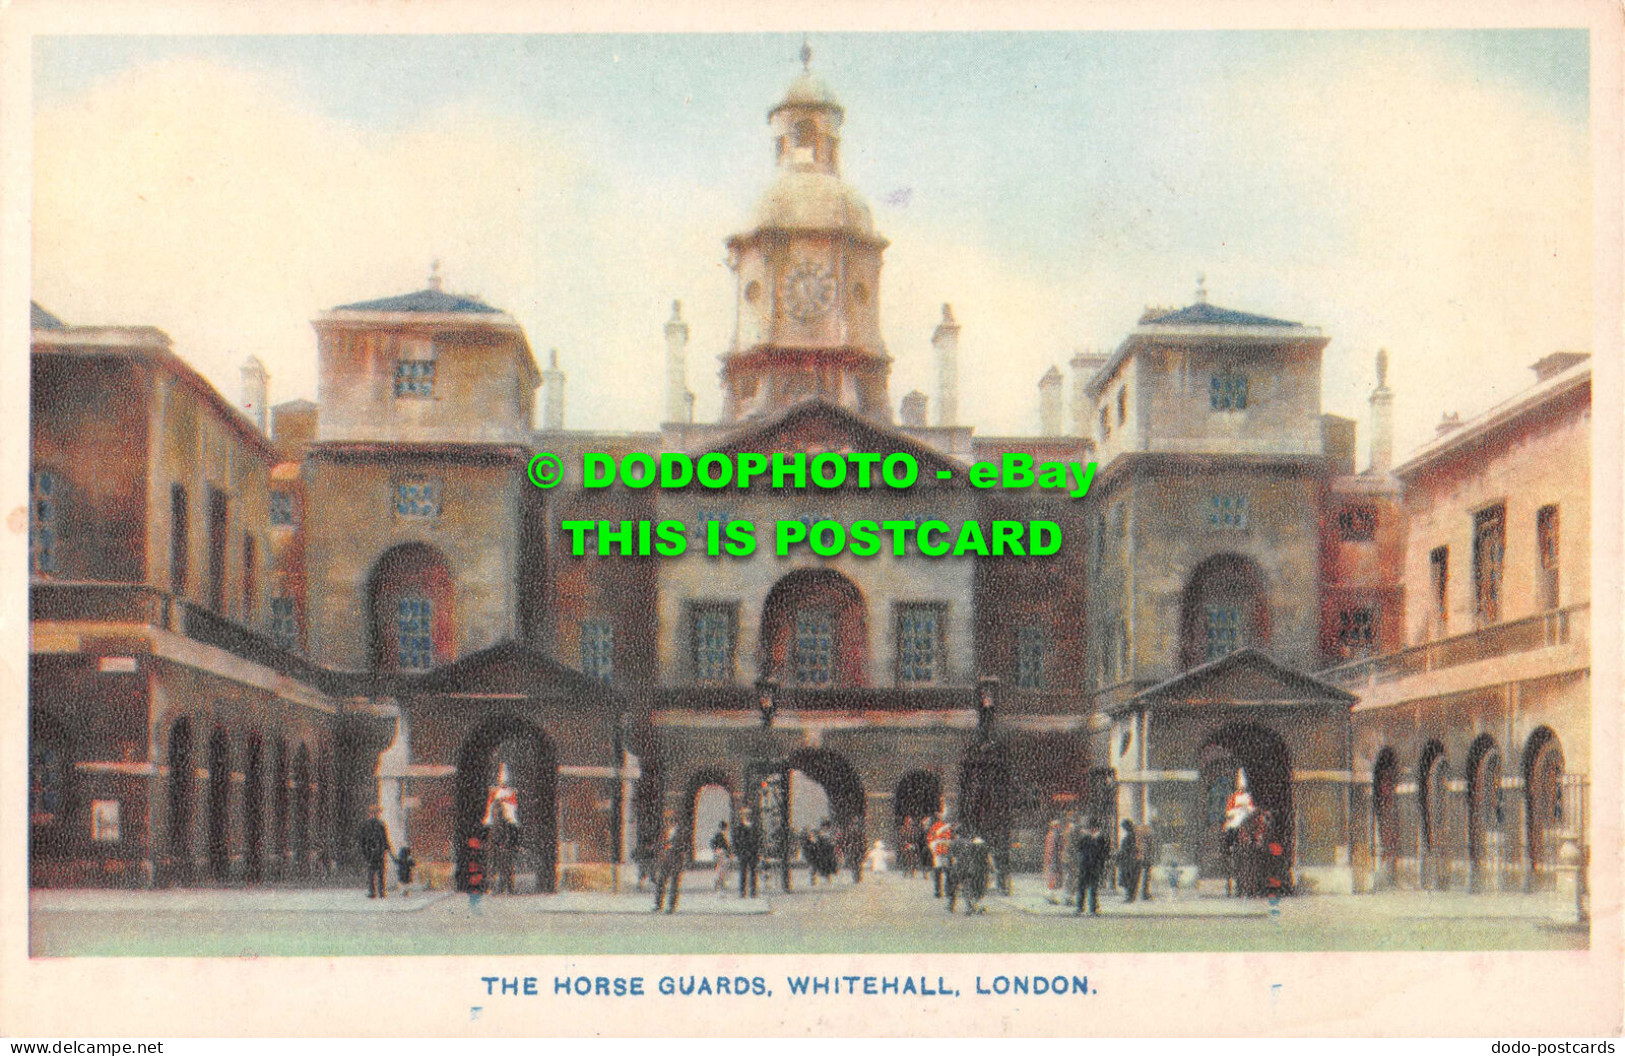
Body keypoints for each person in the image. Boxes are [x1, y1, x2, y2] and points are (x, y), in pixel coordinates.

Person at [1073, 817, 1109, 916]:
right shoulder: (1098, 838)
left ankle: (1083, 907)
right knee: (1090, 887)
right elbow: (1105, 853)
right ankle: (1089, 907)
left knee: (1086, 887)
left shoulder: (1089, 837)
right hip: (1092, 865)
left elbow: (1079, 849)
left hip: (1086, 865)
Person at [652, 814, 685, 914]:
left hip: (675, 859)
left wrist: (670, 846)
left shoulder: (680, 832)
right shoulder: (665, 832)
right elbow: (661, 843)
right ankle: (658, 904)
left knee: (674, 883)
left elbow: (681, 845)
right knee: (661, 881)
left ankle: (671, 906)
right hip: (666, 859)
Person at [357, 805, 391, 899]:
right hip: (377, 852)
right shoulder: (380, 824)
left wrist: (364, 851)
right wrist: (387, 848)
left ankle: (374, 892)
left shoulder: (367, 824)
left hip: (372, 852)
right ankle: (380, 892)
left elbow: (362, 840)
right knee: (379, 873)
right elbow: (384, 839)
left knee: (372, 873)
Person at [734, 811, 762, 898]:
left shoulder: (755, 827)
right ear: (743, 816)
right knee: (743, 873)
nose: (748, 816)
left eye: (749, 815)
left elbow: (759, 841)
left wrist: (758, 852)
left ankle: (753, 892)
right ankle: (742, 892)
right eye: (746, 815)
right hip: (743, 854)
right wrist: (738, 852)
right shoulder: (739, 827)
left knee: (753, 873)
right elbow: (736, 841)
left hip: (753, 854)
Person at [927, 815, 954, 898]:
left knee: (947, 873)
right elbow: (930, 839)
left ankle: (947, 891)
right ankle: (939, 891)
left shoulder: (949, 827)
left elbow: (952, 839)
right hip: (939, 852)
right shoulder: (936, 826)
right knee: (939, 873)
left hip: (946, 853)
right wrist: (934, 849)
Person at [1117, 820, 1141, 903]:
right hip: (1129, 860)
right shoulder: (1132, 835)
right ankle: (1130, 896)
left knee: (1129, 879)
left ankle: (1130, 896)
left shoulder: (1130, 836)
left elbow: (1130, 849)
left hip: (1129, 861)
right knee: (1130, 879)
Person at [1042, 818, 1063, 903]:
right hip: (1054, 860)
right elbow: (1050, 850)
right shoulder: (1055, 836)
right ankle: (1051, 896)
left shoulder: (1051, 835)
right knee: (1053, 878)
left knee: (1052, 878)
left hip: (1053, 860)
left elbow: (1049, 850)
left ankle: (1051, 896)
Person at [710, 820, 732, 893]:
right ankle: (719, 884)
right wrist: (719, 850)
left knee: (721, 870)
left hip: (721, 855)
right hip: (721, 855)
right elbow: (724, 846)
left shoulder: (718, 835)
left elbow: (712, 844)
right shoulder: (720, 835)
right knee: (721, 870)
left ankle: (719, 884)